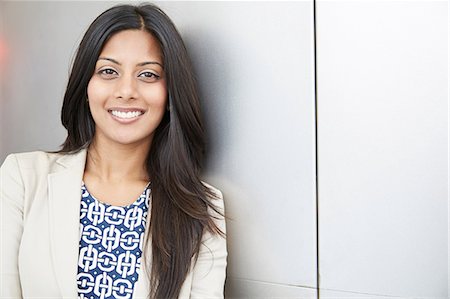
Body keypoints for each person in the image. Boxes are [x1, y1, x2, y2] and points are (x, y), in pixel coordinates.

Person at [0, 3, 227, 299]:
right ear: (86, 86)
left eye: (148, 75)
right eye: (108, 71)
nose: (126, 90)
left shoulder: (201, 208)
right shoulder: (22, 178)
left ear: (171, 94)